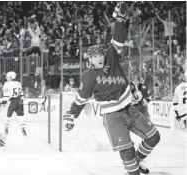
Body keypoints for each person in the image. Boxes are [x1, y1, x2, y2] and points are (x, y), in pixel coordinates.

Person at [63, 3, 160, 175]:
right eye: (94, 57)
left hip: (130, 109)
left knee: (154, 137)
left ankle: (138, 160)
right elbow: (80, 99)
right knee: (126, 151)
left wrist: (119, 20)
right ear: (90, 60)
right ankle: (134, 169)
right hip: (112, 116)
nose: (98, 58)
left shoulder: (111, 58)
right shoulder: (88, 76)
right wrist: (71, 116)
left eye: (100, 55)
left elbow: (118, 38)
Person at [0, 71, 27, 137]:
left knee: (7, 115)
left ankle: (6, 129)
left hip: (12, 101)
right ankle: (23, 129)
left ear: (11, 77)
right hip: (19, 100)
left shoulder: (7, 84)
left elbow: (6, 95)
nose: (6, 78)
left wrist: (3, 102)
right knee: (20, 116)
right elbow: (22, 94)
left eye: (7, 77)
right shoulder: (18, 83)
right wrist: (21, 102)